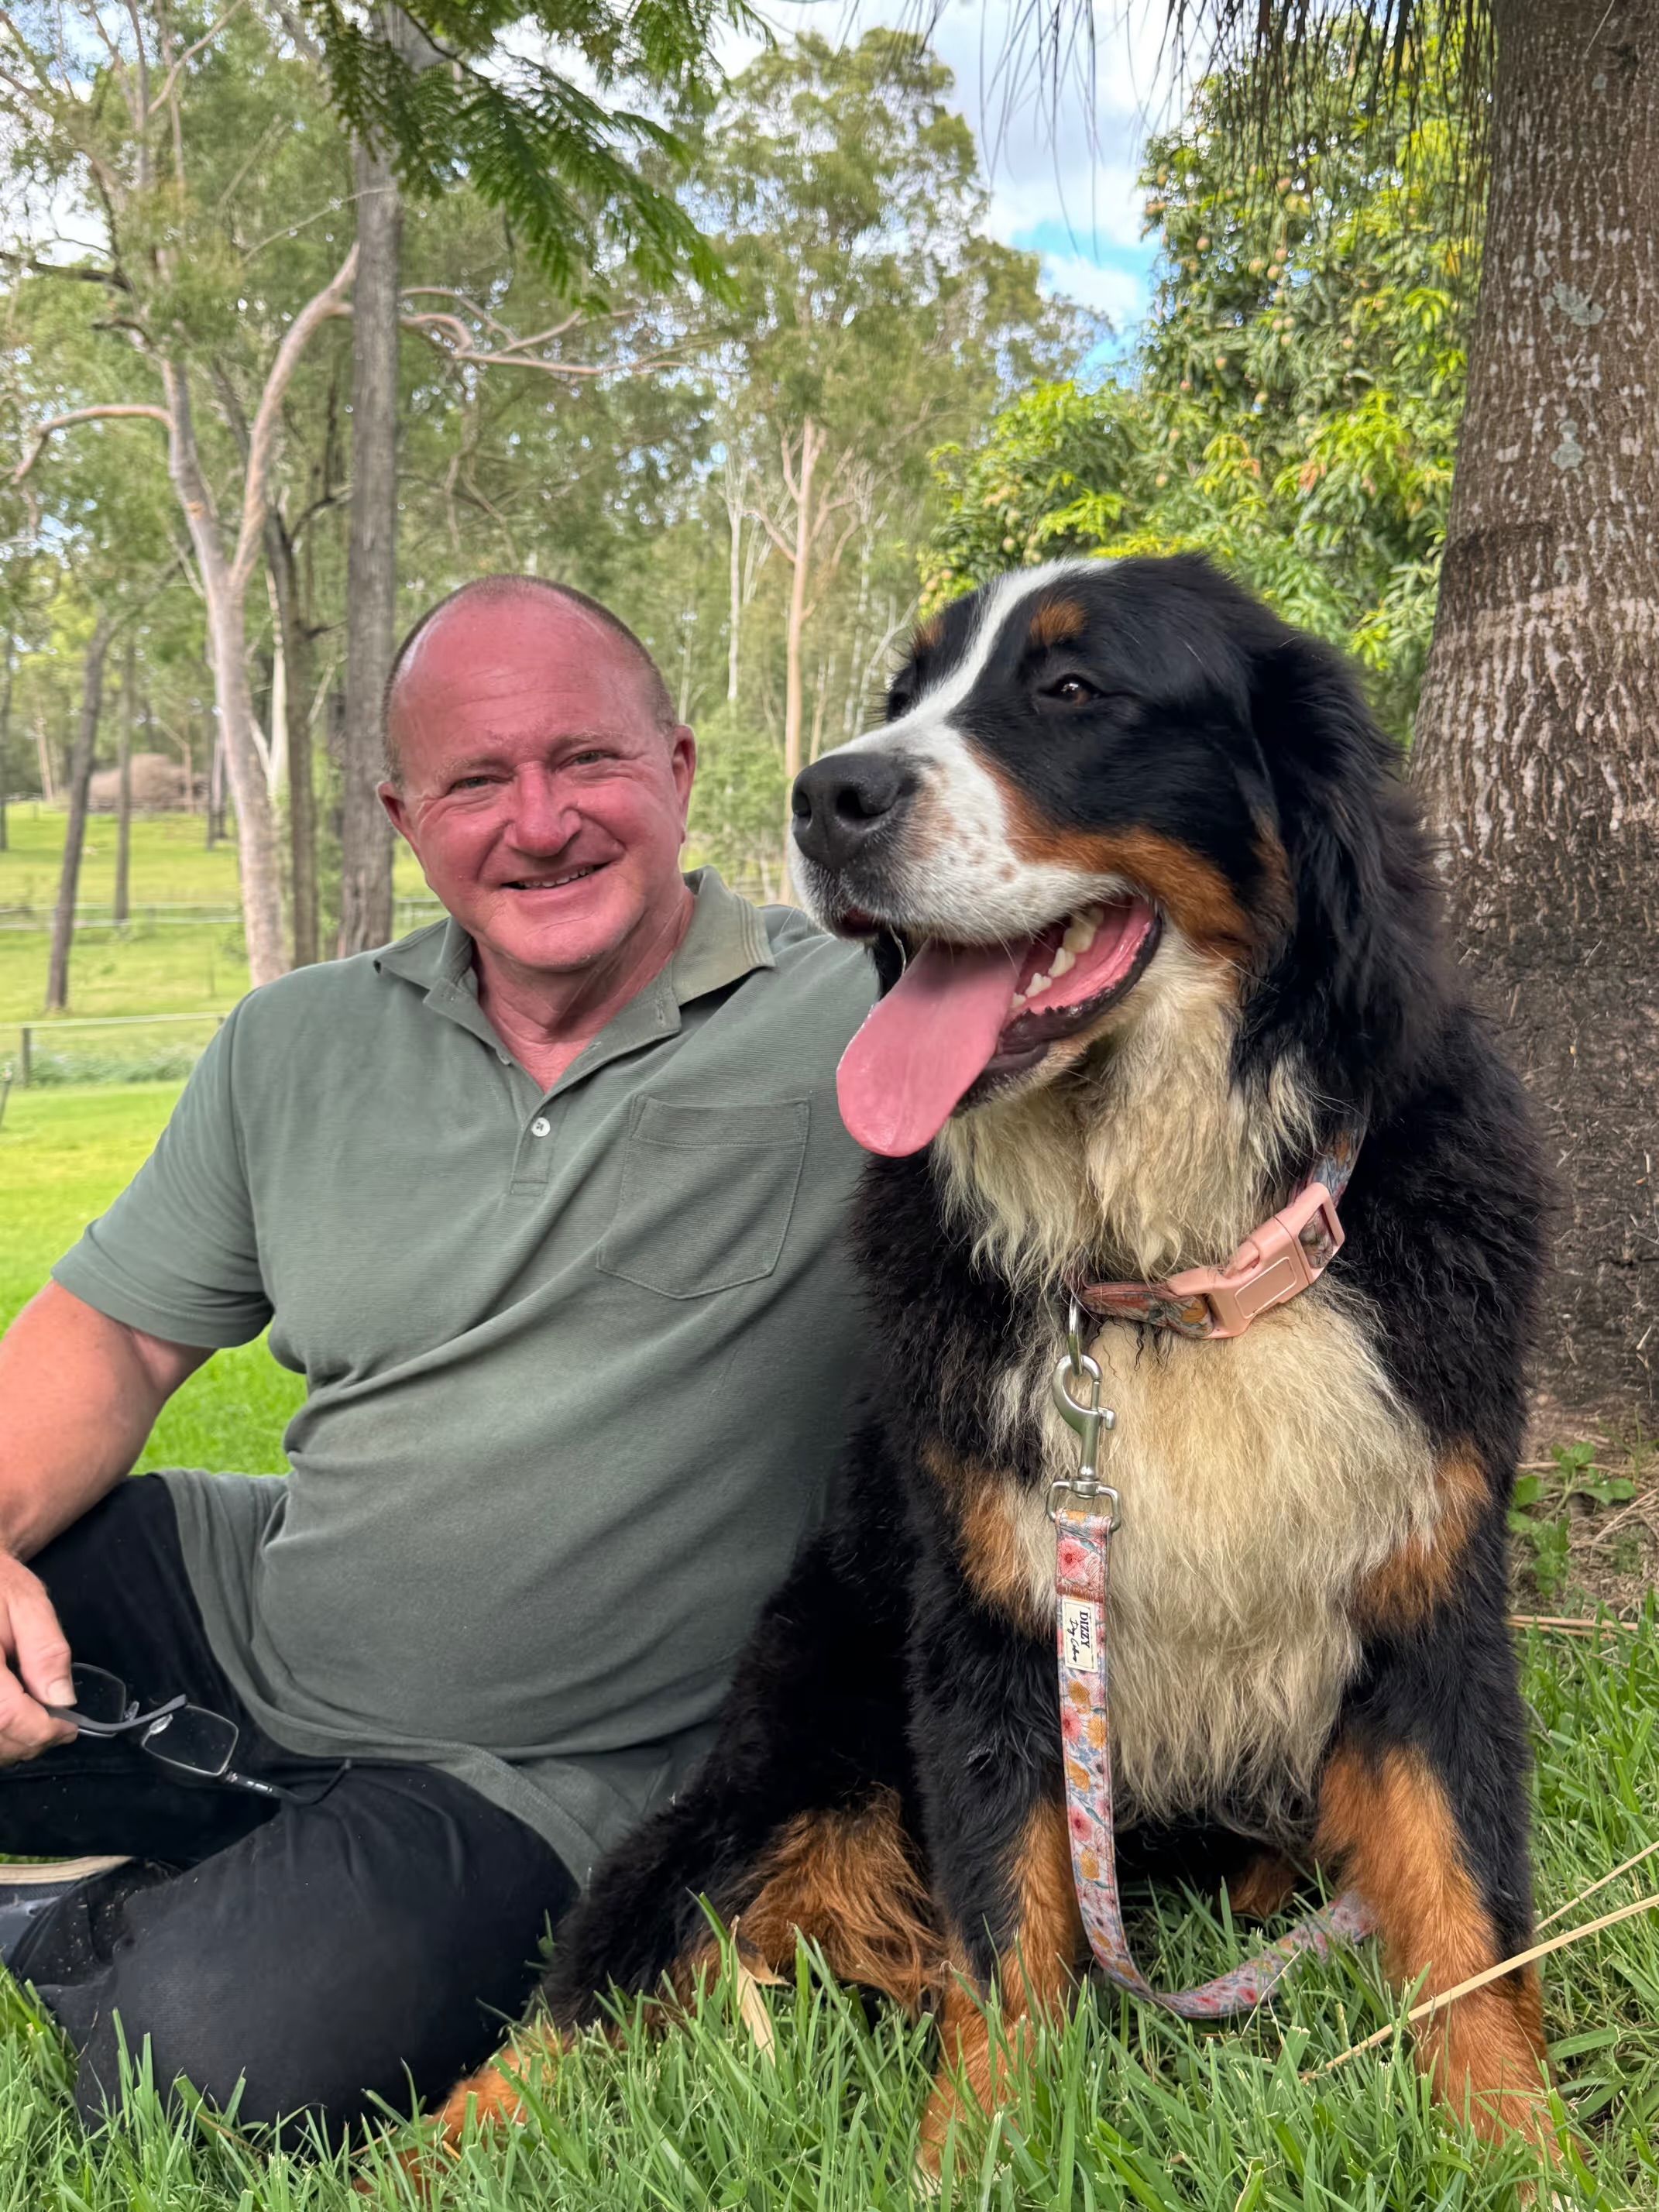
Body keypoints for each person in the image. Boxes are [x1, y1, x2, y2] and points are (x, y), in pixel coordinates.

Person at [0, 577, 874, 2148]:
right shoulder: (296, 1043)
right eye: (477, 782)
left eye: (584, 761)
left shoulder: (863, 1027)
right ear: (410, 817)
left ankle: (77, 1931)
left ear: (677, 769)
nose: (538, 823)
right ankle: (231, 1841)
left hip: (563, 1765)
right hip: (254, 1616)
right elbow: (120, 1337)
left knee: (200, 2064)